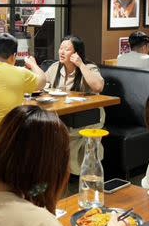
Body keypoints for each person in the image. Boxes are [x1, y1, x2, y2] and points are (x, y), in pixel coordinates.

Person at [45, 35, 106, 173]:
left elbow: (98, 87)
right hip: (63, 115)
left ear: (76, 52)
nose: (61, 52)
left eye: (66, 49)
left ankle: (71, 172)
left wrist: (80, 65)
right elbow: (42, 83)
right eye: (60, 48)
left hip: (87, 116)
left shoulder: (89, 67)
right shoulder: (55, 68)